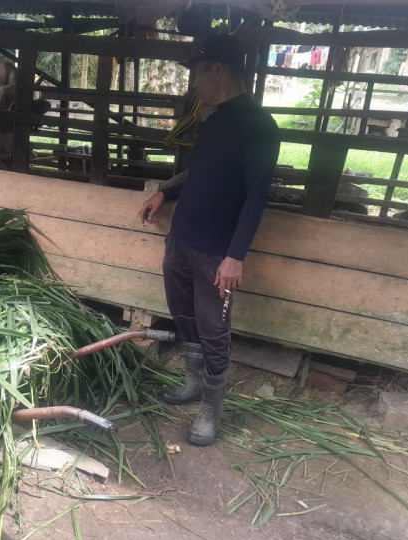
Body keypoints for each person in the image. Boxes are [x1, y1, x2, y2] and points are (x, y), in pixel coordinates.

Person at [139, 34, 280, 446]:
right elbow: (199, 173)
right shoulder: (215, 119)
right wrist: (166, 191)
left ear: (217, 69)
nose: (193, 85)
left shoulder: (259, 126)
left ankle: (211, 409)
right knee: (183, 315)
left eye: (197, 74)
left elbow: (257, 193)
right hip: (181, 239)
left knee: (213, 327)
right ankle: (193, 383)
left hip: (216, 250)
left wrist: (235, 256)